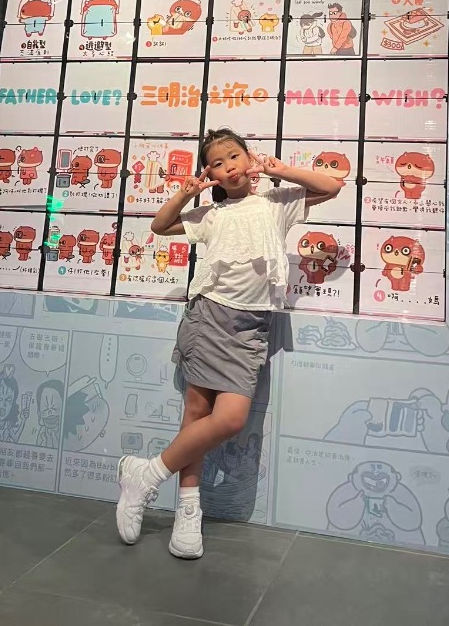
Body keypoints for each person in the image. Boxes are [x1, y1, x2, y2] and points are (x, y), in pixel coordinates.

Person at [115, 126, 341, 559]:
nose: (228, 167)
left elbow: (331, 186)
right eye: (217, 163)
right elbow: (160, 226)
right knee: (196, 416)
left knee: (230, 419)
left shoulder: (276, 201)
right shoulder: (211, 214)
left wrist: (281, 169)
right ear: (211, 174)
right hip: (210, 315)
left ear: (249, 158)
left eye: (234, 156)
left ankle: (146, 474)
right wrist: (186, 193)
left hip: (252, 326)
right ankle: (188, 512)